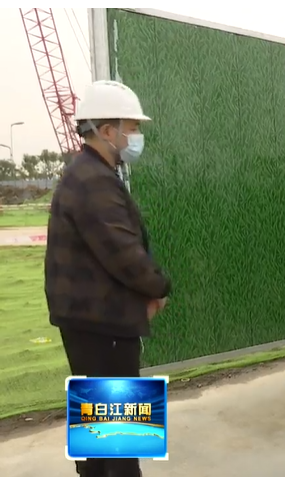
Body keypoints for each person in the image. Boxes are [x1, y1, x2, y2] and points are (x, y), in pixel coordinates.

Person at [45, 80, 171, 477]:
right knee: (118, 442)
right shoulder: (94, 181)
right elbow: (124, 253)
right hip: (104, 324)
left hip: (91, 320)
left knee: (99, 440)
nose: (136, 137)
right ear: (106, 131)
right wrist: (159, 288)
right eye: (131, 128)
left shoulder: (86, 173)